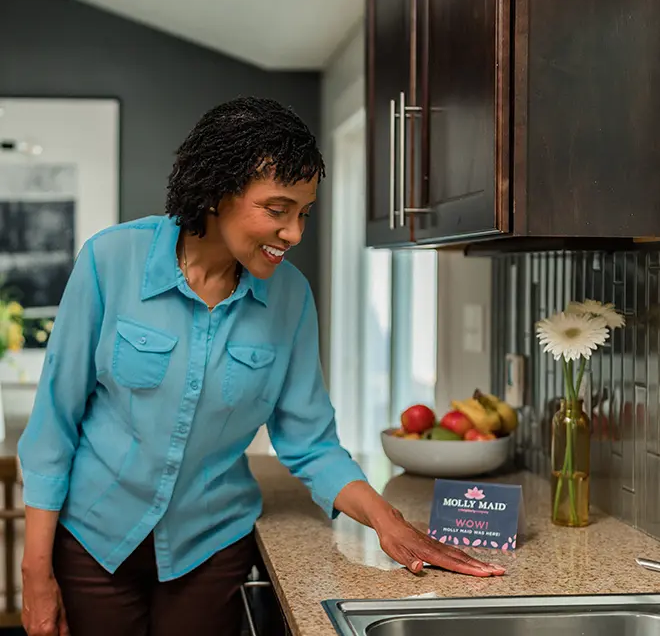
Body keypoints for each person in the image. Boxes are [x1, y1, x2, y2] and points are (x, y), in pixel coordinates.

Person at [17, 97, 504, 636]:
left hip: (209, 548)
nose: (294, 233)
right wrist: (35, 571)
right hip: (93, 541)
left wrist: (390, 522)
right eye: (277, 210)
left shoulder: (290, 299)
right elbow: (53, 426)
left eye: (303, 213)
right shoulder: (110, 261)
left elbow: (311, 443)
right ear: (216, 193)